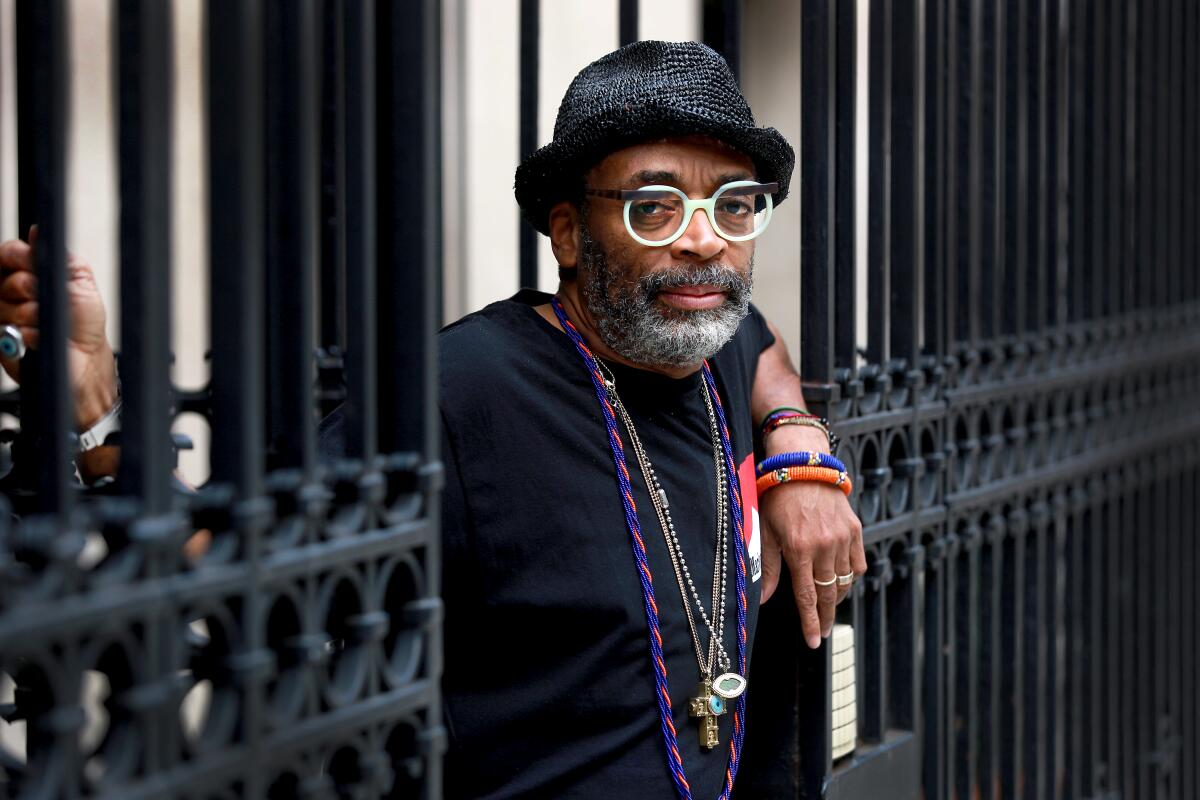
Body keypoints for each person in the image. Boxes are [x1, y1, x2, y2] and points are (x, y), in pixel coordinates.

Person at [1, 40, 865, 799]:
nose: (706, 240)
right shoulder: (463, 389)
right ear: (568, 232)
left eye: (735, 204)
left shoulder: (711, 333)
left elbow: (764, 347)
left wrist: (797, 443)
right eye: (655, 207)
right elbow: (242, 560)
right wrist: (97, 414)